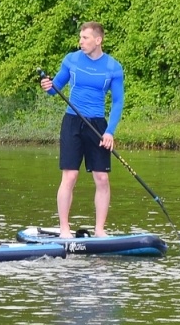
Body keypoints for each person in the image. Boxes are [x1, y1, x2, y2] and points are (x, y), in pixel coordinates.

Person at [39, 22, 125, 238]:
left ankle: (99, 230)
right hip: (72, 122)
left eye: (85, 38)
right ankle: (65, 229)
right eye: (80, 37)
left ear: (98, 40)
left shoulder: (113, 67)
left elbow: (117, 102)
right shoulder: (71, 59)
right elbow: (55, 87)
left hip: (97, 126)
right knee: (70, 176)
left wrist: (110, 131)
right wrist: (48, 86)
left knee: (102, 179)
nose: (81, 41)